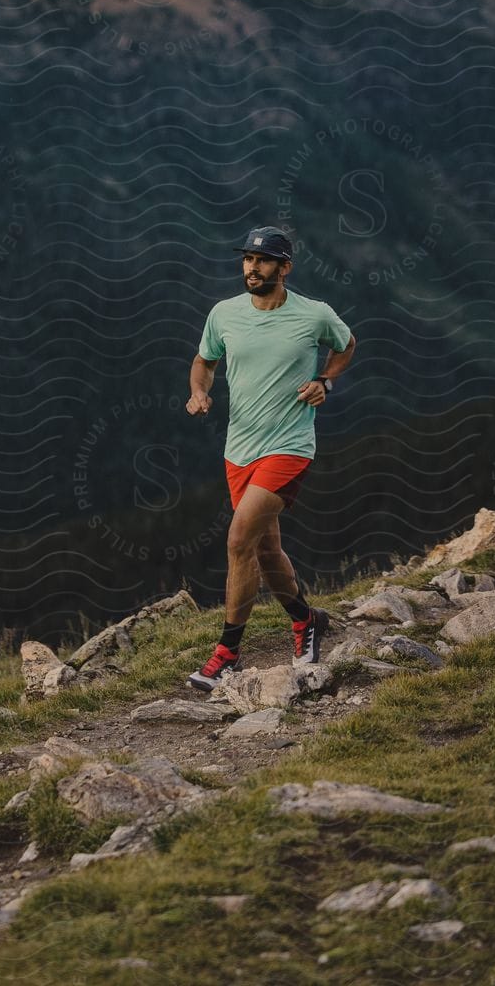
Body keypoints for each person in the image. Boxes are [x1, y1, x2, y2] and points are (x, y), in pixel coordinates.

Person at [184, 225, 355, 689]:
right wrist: (199, 392)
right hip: (239, 449)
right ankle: (306, 620)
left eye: (262, 261)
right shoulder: (224, 314)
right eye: (247, 260)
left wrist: (325, 381)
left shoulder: (313, 314)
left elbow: (347, 345)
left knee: (239, 540)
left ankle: (228, 654)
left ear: (284, 268)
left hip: (290, 445)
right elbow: (204, 361)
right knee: (265, 547)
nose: (251, 268)